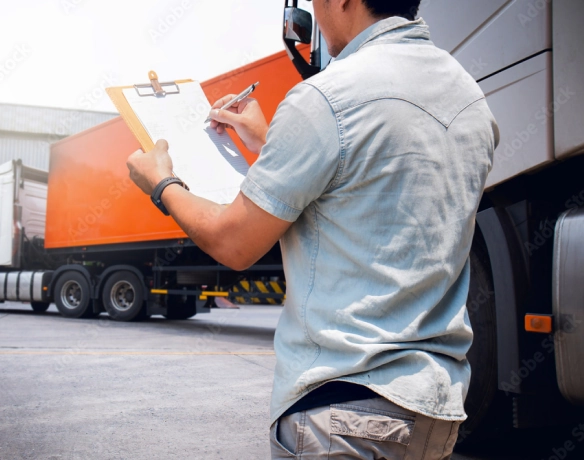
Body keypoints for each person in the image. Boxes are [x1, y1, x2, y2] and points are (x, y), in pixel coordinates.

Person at [127, 0, 499, 457]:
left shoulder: (328, 97)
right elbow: (370, 187)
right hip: (434, 410)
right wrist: (267, 141)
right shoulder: (470, 97)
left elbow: (233, 242)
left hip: (343, 411)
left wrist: (162, 182)